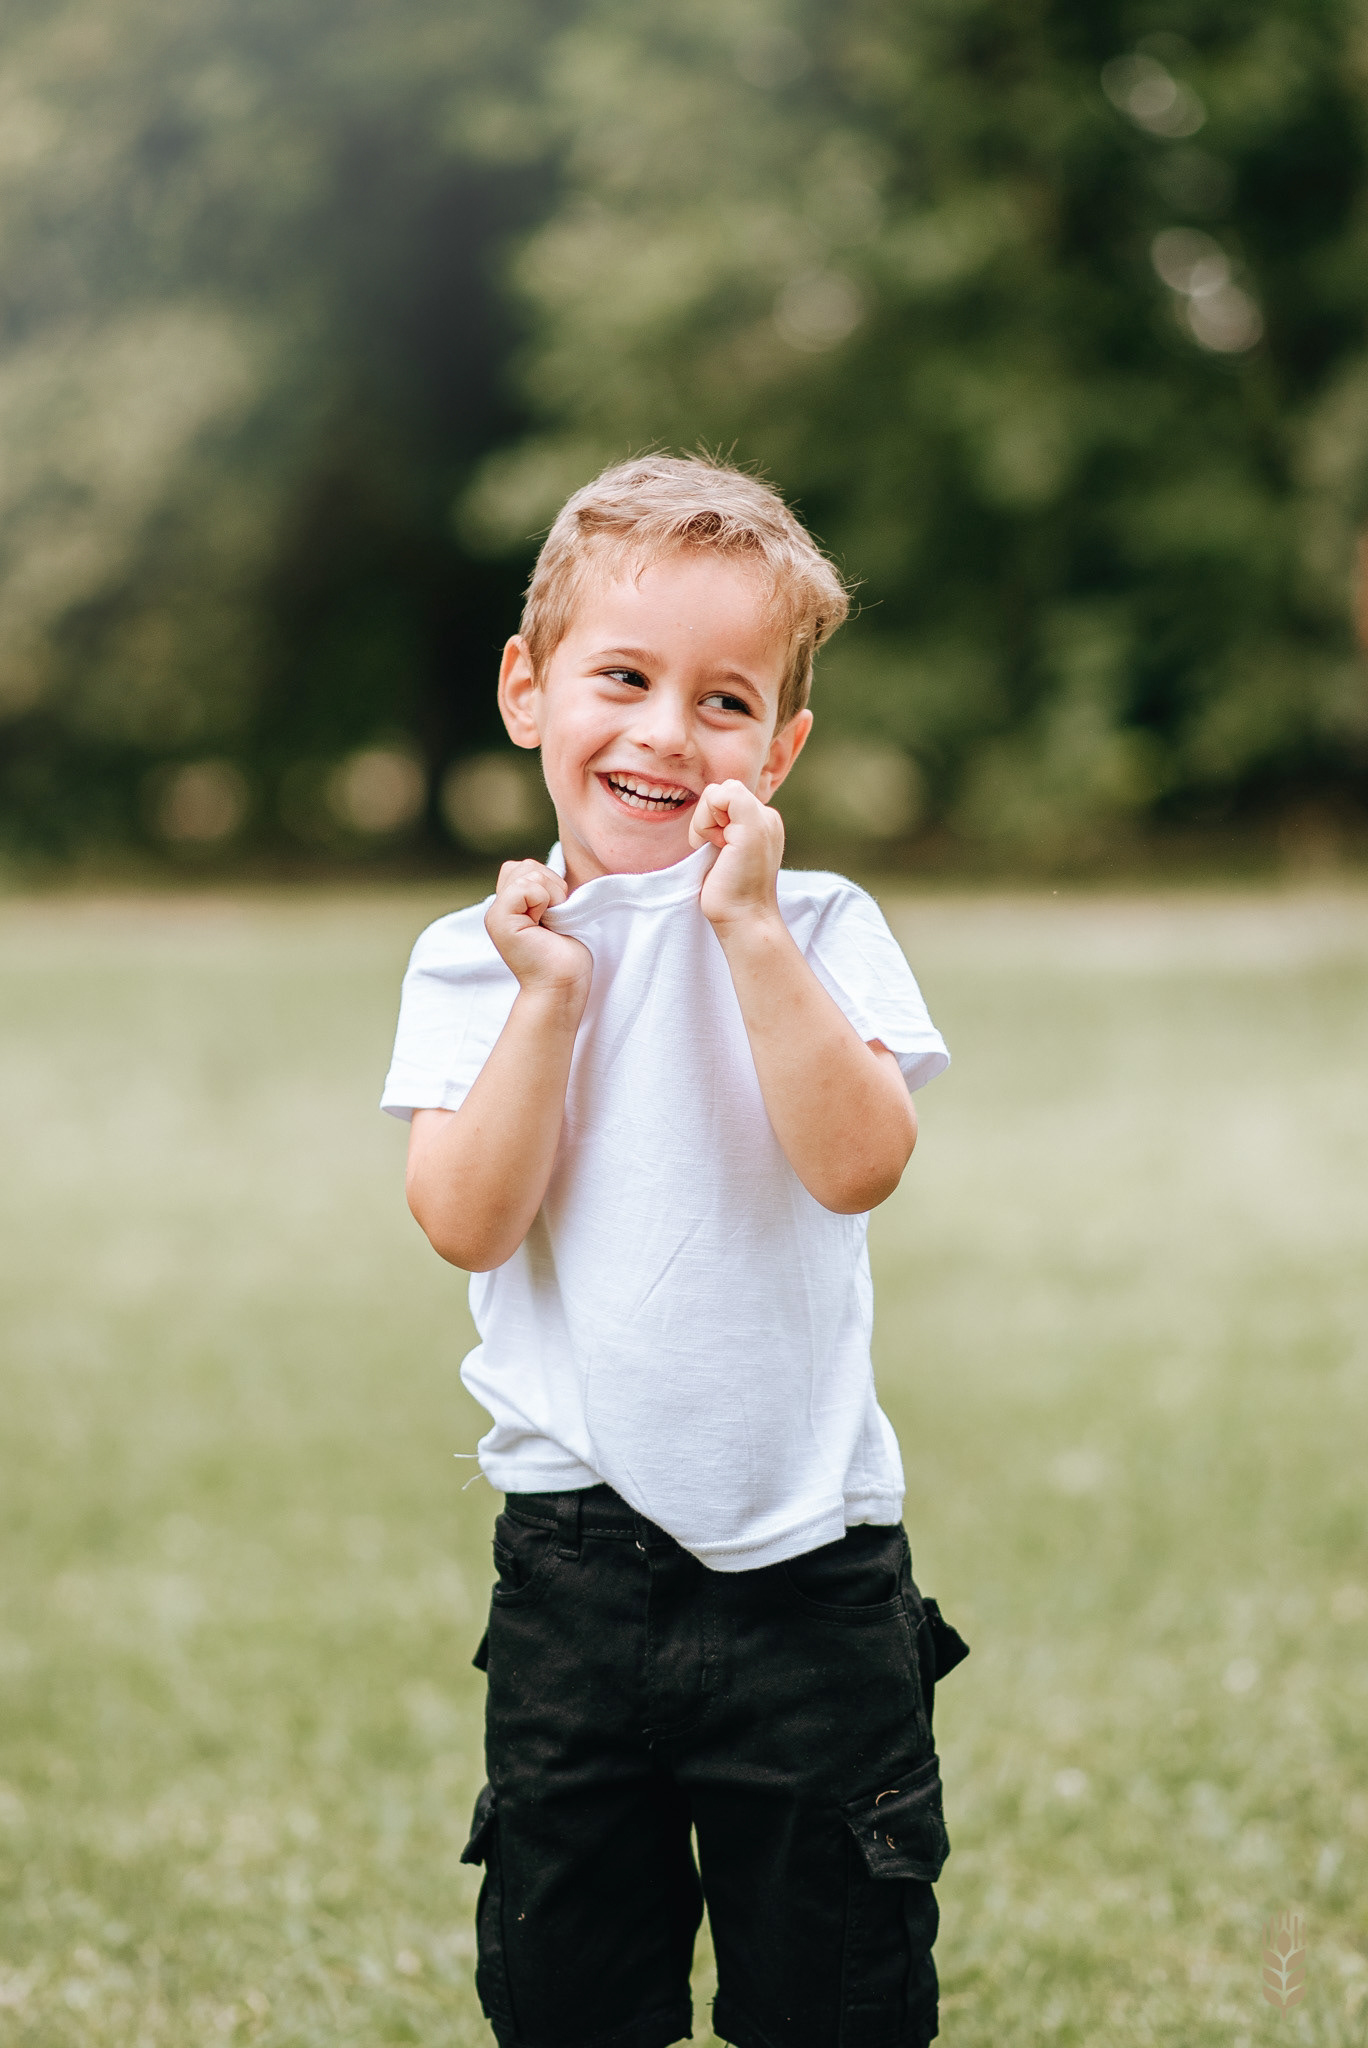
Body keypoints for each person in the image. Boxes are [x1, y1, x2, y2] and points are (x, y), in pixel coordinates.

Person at [381, 453, 967, 2048]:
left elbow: (857, 1164)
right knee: (571, 1986)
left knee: (839, 1986)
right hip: (577, 1565)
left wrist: (750, 928)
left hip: (814, 1570)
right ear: (528, 691)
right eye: (622, 678)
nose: (662, 731)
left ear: (778, 748)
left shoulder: (822, 924)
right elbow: (466, 1219)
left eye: (723, 701)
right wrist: (551, 1000)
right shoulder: (475, 959)